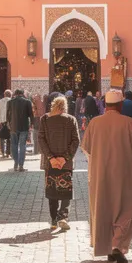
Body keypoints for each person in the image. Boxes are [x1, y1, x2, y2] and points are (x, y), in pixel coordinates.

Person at [81, 90, 132, 263]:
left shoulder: (94, 123)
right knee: (125, 209)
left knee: (103, 210)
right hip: (125, 176)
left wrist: (96, 164)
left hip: (100, 176)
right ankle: (117, 244)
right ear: (120, 105)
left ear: (105, 105)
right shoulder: (130, 123)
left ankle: (107, 246)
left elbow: (86, 149)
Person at [39, 95, 80, 231]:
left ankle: (53, 220)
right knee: (66, 190)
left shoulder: (44, 119)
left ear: (53, 105)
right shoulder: (71, 120)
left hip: (50, 163)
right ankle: (63, 216)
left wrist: (51, 158)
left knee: (52, 190)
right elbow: (76, 140)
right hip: (65, 163)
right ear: (65, 106)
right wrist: (64, 158)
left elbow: (41, 139)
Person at [7, 89, 34, 171]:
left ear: (15, 94)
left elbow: (8, 115)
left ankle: (16, 163)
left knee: (14, 145)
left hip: (13, 127)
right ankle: (21, 165)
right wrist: (32, 124)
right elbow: (31, 115)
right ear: (22, 94)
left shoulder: (10, 102)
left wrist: (9, 124)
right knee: (22, 146)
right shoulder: (27, 102)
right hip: (24, 127)